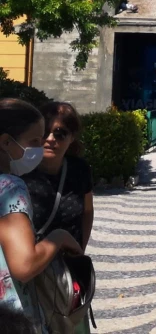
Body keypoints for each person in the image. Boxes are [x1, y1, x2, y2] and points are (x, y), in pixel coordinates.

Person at [0, 99, 83, 332]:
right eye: (34, 141)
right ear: (6, 142)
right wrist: (59, 237)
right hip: (12, 319)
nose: (41, 146)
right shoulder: (10, 188)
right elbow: (24, 265)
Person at [23, 103, 94, 253]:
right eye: (44, 132)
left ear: (72, 137)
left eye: (60, 133)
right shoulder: (20, 170)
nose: (50, 139)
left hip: (68, 262)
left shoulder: (79, 169)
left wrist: (80, 249)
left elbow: (87, 212)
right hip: (31, 261)